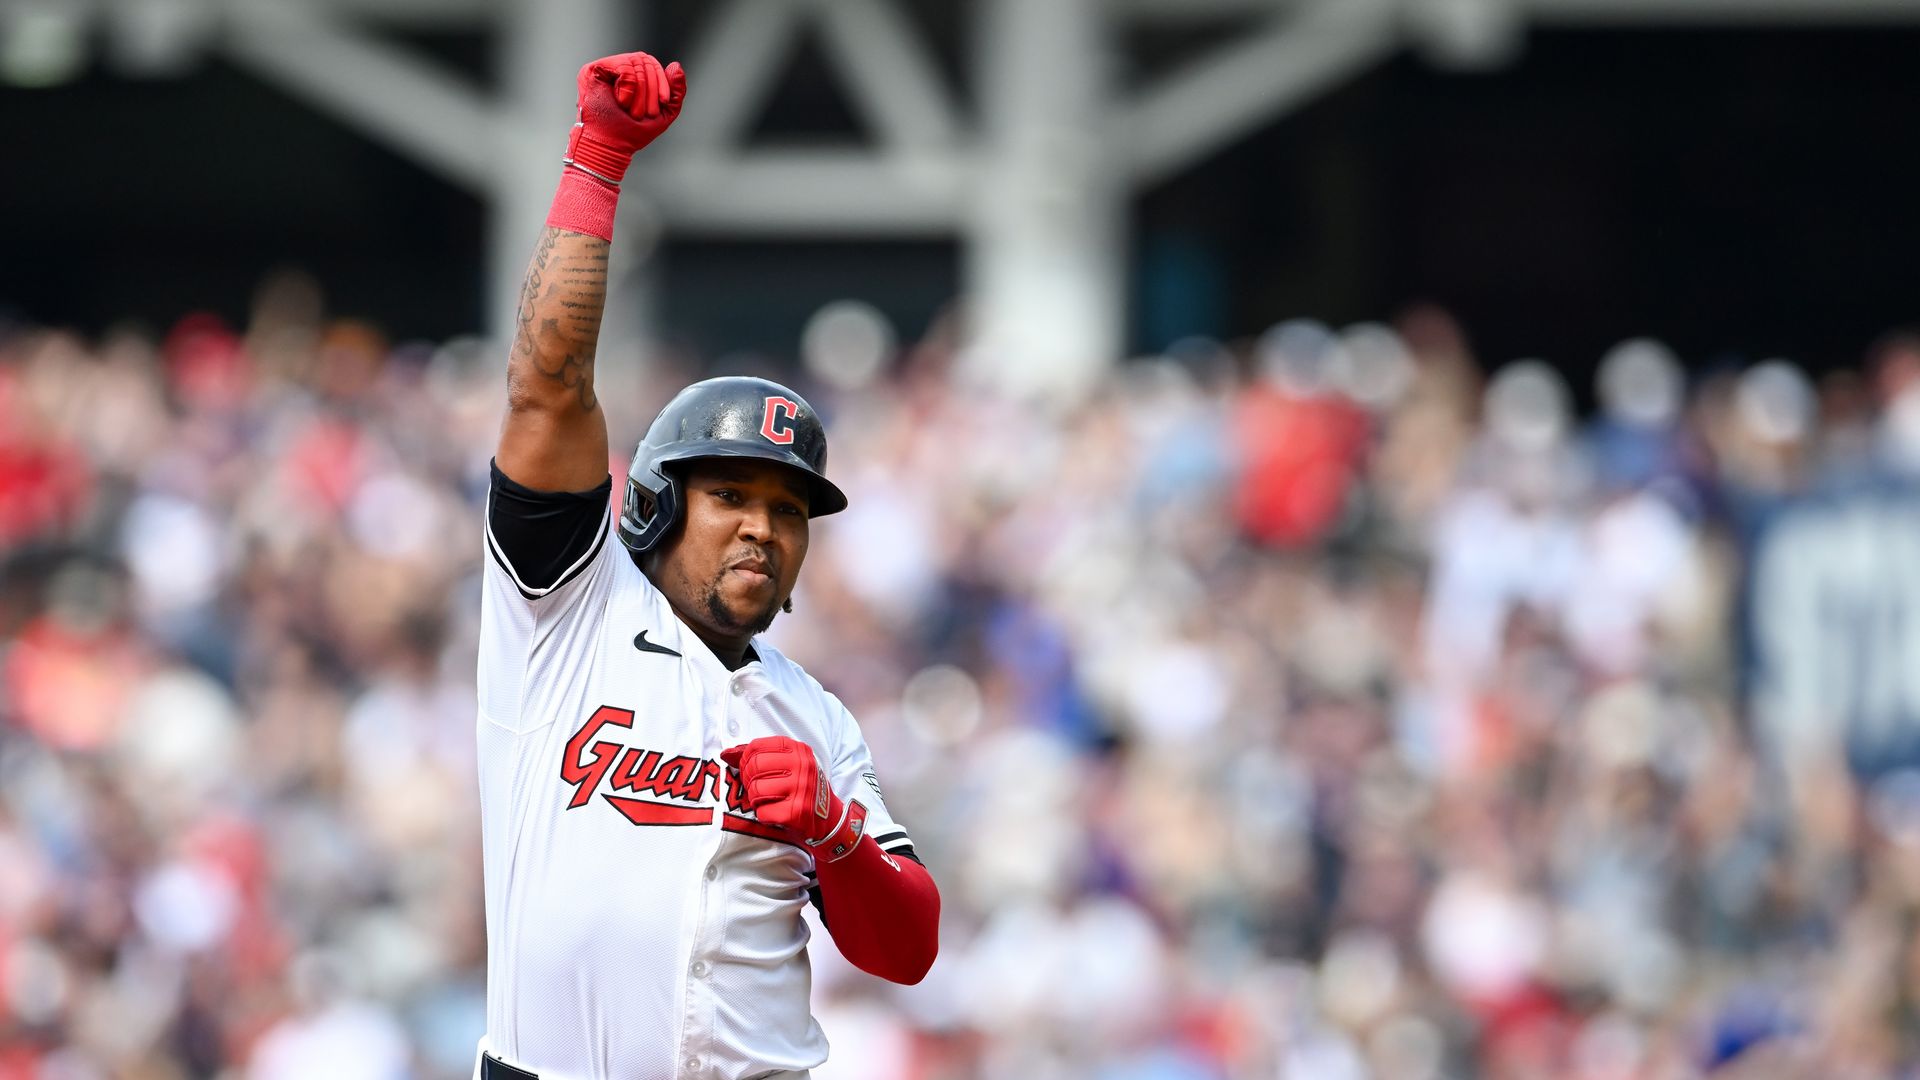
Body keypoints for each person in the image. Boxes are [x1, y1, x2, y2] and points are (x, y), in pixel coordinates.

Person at [474, 50, 940, 1080]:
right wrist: (596, 163)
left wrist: (836, 836)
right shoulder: (563, 609)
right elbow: (546, 391)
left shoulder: (814, 716)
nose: (761, 529)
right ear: (656, 504)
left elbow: (906, 950)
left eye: (788, 509)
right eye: (729, 496)